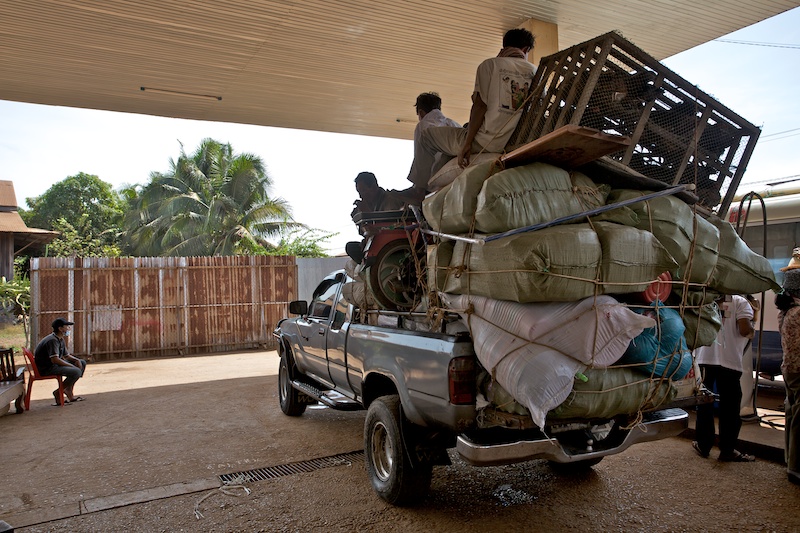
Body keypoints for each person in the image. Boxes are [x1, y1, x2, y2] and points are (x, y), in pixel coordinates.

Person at [405, 28, 537, 193]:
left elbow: (479, 106)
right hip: (514, 139)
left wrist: (467, 144)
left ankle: (419, 189)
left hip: (485, 141)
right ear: (525, 50)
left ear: (504, 46)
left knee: (426, 136)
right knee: (449, 148)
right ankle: (435, 188)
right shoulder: (535, 71)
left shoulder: (489, 65)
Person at [693, 295, 755, 461]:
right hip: (730, 362)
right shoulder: (740, 302)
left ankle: (703, 445)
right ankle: (727, 449)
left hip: (704, 359)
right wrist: (752, 330)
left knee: (704, 403)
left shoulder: (703, 298)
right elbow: (745, 330)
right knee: (730, 406)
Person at [404, 92, 461, 188]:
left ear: (421, 112)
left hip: (432, 176)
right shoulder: (454, 124)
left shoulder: (423, 125)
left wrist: (418, 186)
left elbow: (420, 158)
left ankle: (418, 190)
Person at [346, 172, 405, 263]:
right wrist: (360, 221)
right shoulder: (370, 204)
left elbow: (392, 226)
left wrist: (368, 214)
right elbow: (364, 232)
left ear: (373, 187)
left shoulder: (390, 200)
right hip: (374, 240)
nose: (361, 195)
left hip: (390, 241)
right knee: (351, 247)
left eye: (363, 190)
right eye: (359, 192)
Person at [777, 247, 800, 484]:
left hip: (789, 368)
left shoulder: (786, 311)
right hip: (799, 370)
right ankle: (795, 466)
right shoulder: (798, 313)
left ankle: (789, 459)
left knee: (792, 414)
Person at [34, 317, 87, 404]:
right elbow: (55, 360)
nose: (68, 329)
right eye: (67, 327)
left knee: (82, 363)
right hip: (47, 368)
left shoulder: (60, 339)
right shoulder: (52, 340)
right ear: (60, 328)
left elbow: (66, 356)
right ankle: (58, 392)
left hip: (54, 365)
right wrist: (71, 366)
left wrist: (76, 360)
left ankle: (68, 389)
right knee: (76, 371)